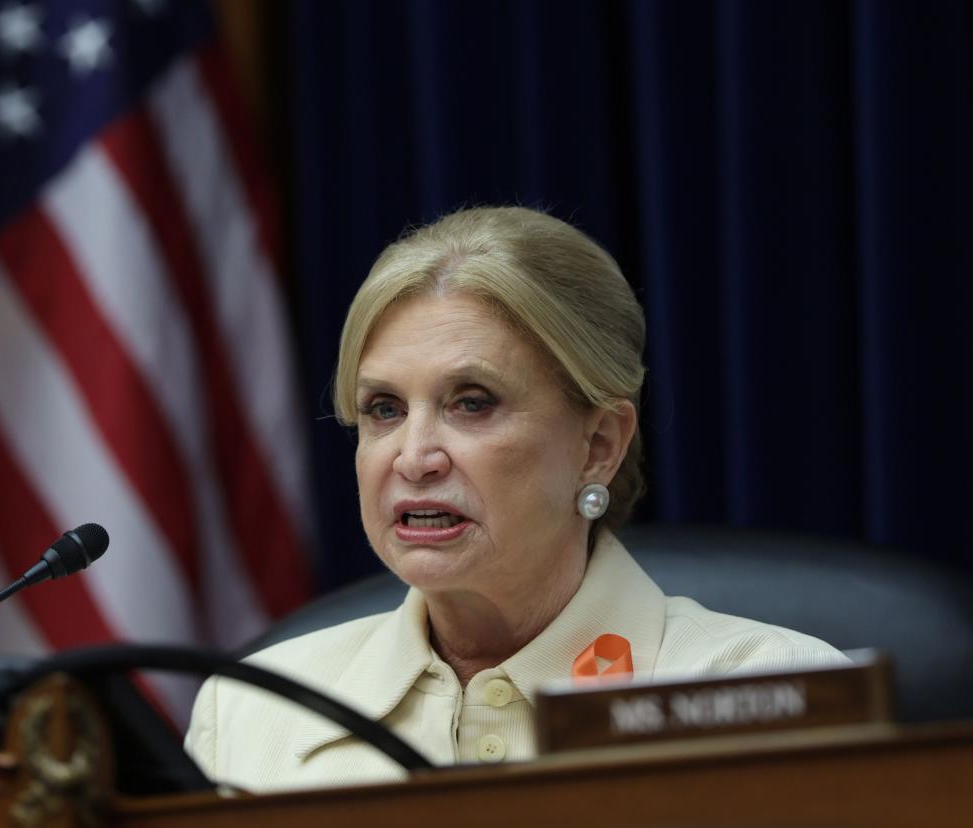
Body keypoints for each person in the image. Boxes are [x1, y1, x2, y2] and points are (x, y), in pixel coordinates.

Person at [184, 206, 846, 792]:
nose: (413, 457)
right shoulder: (251, 709)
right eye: (383, 409)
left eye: (472, 403)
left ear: (599, 445)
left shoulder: (775, 692)